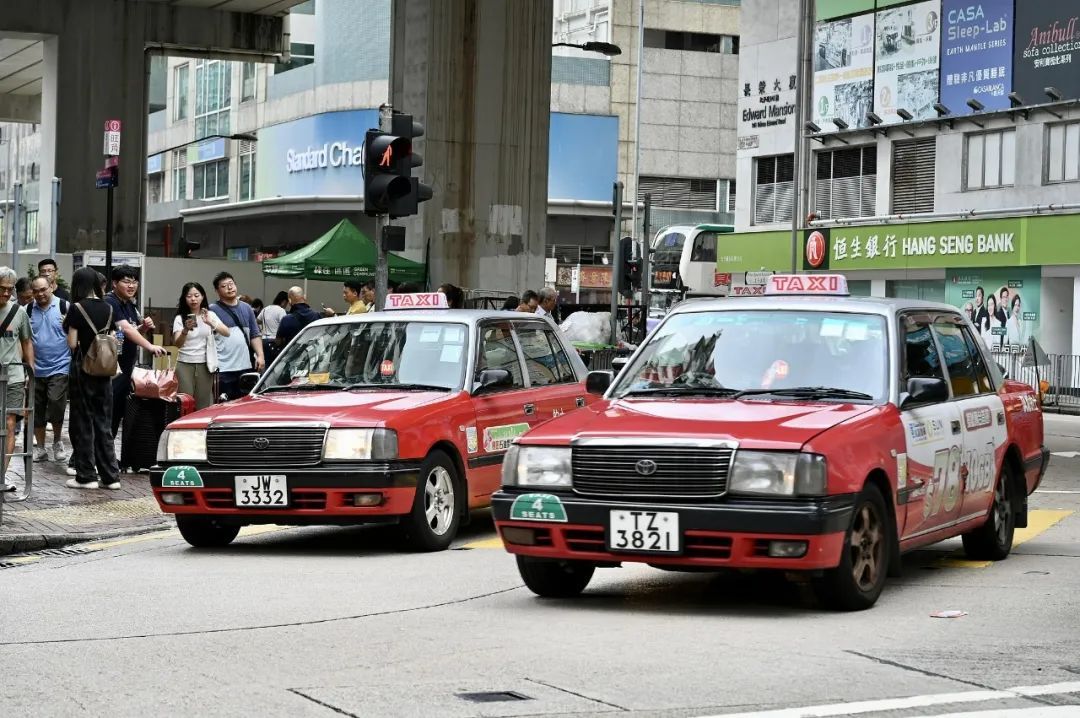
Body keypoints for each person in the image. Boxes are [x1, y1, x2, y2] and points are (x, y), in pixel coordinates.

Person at [63, 267, 120, 490]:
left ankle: (86, 476)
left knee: (83, 422)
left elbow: (72, 344)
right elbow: (114, 339)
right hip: (104, 371)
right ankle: (111, 476)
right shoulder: (109, 308)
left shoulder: (76, 308)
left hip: (82, 370)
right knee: (103, 423)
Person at [105, 265, 167, 438]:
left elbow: (128, 334)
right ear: (115, 283)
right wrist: (150, 346)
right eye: (126, 281)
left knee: (117, 412)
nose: (131, 286)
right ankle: (86, 457)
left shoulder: (130, 305)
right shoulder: (110, 302)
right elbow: (124, 329)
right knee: (107, 413)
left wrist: (143, 327)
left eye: (134, 282)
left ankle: (106, 456)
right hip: (111, 369)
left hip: (125, 368)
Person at [27, 275, 70, 464]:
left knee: (55, 403)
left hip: (60, 365)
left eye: (43, 289)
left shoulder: (65, 307)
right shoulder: (27, 309)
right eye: (35, 291)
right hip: (35, 368)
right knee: (36, 409)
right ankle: (41, 447)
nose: (40, 294)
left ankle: (58, 441)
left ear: (51, 287)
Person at [0, 267, 34, 492]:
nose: (5, 293)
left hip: (13, 378)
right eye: (2, 288)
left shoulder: (19, 312)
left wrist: (30, 372)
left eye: (9, 289)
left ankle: (1, 476)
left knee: (10, 425)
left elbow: (26, 342)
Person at [173, 282, 230, 410]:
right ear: (184, 298)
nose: (193, 299)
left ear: (202, 296)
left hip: (205, 364)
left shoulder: (210, 315)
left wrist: (210, 322)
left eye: (196, 295)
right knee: (185, 402)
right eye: (189, 296)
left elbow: (226, 332)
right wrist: (185, 330)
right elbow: (178, 344)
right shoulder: (180, 318)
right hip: (184, 364)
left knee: (203, 402)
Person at [209, 271, 264, 401]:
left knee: (246, 404)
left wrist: (260, 355)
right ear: (217, 291)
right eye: (224, 286)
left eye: (231, 284)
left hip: (246, 366)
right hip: (223, 369)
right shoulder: (212, 309)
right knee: (223, 404)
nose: (229, 287)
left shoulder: (247, 308)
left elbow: (255, 334)